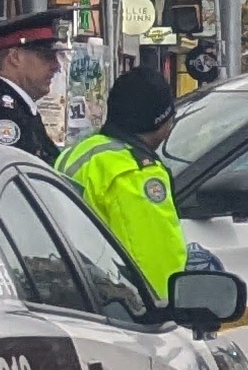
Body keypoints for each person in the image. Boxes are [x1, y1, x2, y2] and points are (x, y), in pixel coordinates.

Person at [59, 68, 186, 297]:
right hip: (116, 307)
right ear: (163, 122)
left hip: (74, 292)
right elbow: (155, 261)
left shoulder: (80, 152)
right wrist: (169, 311)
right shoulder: (135, 172)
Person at [0, 8, 70, 161]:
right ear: (15, 57)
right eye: (46, 56)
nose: (56, 66)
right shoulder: (0, 114)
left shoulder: (17, 109)